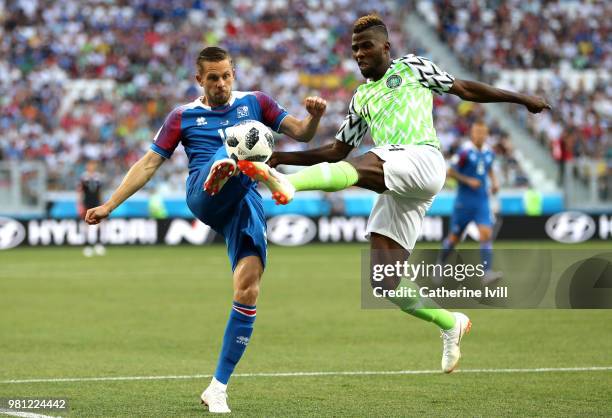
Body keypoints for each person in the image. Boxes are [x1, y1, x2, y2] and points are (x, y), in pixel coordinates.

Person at [235, 15, 551, 373]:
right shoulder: (362, 97)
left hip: (422, 158)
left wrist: (523, 99)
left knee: (366, 162)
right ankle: (450, 323)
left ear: (385, 46)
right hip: (396, 178)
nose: (358, 54)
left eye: (365, 46)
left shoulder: (414, 68)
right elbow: (337, 151)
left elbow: (464, 88)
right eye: (354, 48)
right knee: (384, 280)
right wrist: (281, 156)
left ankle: (289, 184)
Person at [84, 46, 327, 413]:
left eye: (226, 75)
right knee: (242, 138)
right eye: (212, 77)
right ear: (199, 80)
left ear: (234, 73)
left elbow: (303, 134)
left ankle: (218, 387)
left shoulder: (257, 101)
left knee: (248, 290)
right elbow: (149, 164)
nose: (221, 83)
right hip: (204, 193)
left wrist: (314, 117)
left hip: (244, 203)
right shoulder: (183, 116)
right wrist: (108, 205)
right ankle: (231, 164)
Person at [438, 121, 501, 283]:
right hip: (464, 202)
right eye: (477, 132)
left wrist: (494, 182)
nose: (480, 135)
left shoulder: (489, 152)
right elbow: (450, 171)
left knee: (486, 234)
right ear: (472, 134)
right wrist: (468, 180)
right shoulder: (464, 151)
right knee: (454, 238)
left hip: (481, 201)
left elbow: (490, 169)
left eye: (483, 133)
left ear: (486, 134)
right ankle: (440, 266)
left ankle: (486, 274)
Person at [78, 160, 106, 256]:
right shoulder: (84, 177)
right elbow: (80, 191)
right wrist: (80, 204)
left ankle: (98, 244)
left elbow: (100, 191)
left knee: (98, 223)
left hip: (96, 203)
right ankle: (87, 245)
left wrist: (102, 204)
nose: (92, 167)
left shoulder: (98, 177)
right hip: (87, 203)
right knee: (86, 224)